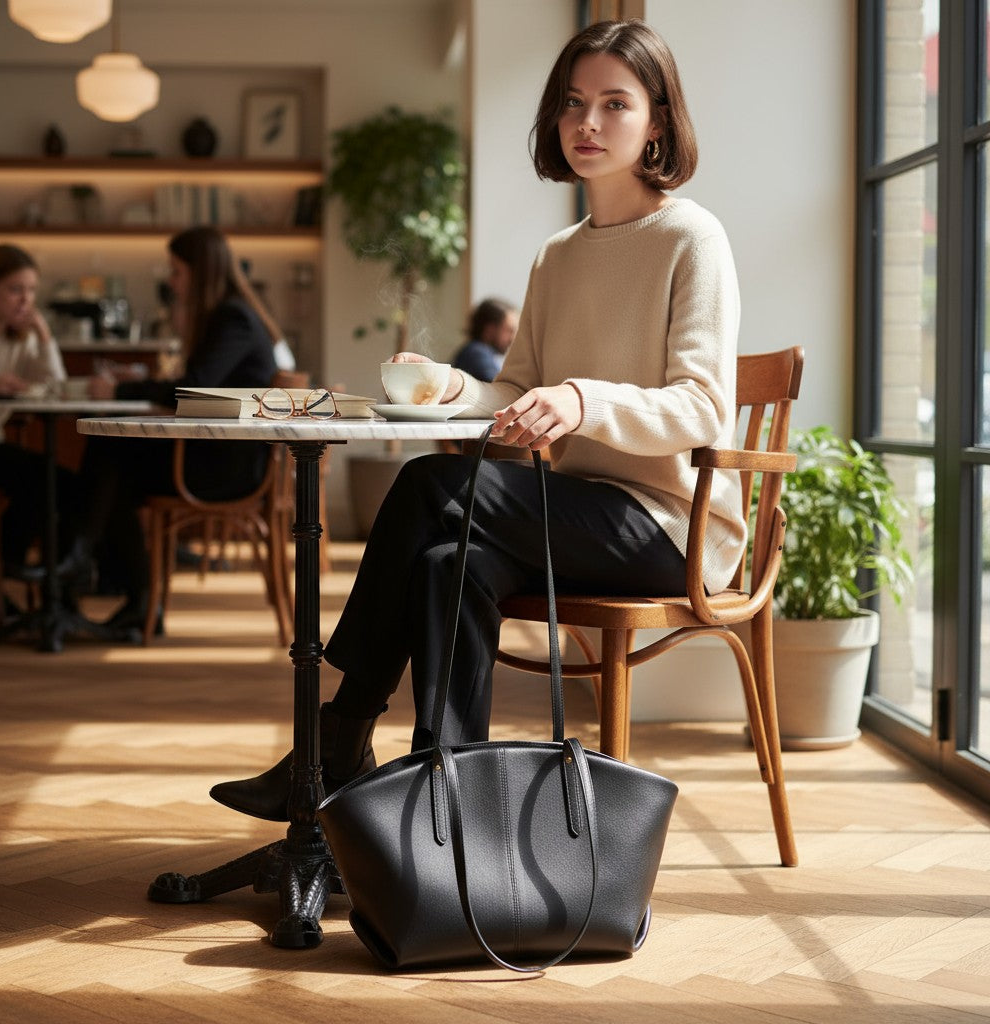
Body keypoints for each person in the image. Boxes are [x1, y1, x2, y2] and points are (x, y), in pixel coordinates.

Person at [210, 18, 746, 819]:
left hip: (668, 527)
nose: (587, 124)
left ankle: (338, 735)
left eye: (614, 104)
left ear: (658, 120)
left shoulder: (691, 237)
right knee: (442, 565)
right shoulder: (558, 255)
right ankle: (441, 813)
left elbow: (703, 406)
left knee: (430, 484)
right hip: (562, 516)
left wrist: (582, 400)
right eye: (572, 102)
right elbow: (519, 388)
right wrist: (456, 387)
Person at [57, 226, 279, 630]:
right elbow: (198, 382)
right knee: (112, 464)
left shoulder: (234, 319)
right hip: (218, 453)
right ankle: (121, 587)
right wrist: (136, 380)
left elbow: (192, 387)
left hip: (228, 467)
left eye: (176, 271)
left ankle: (85, 564)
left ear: (201, 271)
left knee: (109, 454)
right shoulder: (230, 315)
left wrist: (120, 388)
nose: (171, 281)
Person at [0, 243, 66, 615]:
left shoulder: (19, 340)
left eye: (31, 291)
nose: (25, 301)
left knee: (59, 483)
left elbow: (56, 389)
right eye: (15, 289)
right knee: (43, 481)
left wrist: (43, 335)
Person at [451, 297, 519, 382]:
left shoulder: (476, 351)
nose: (513, 338)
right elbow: (500, 387)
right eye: (509, 330)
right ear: (490, 329)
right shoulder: (477, 353)